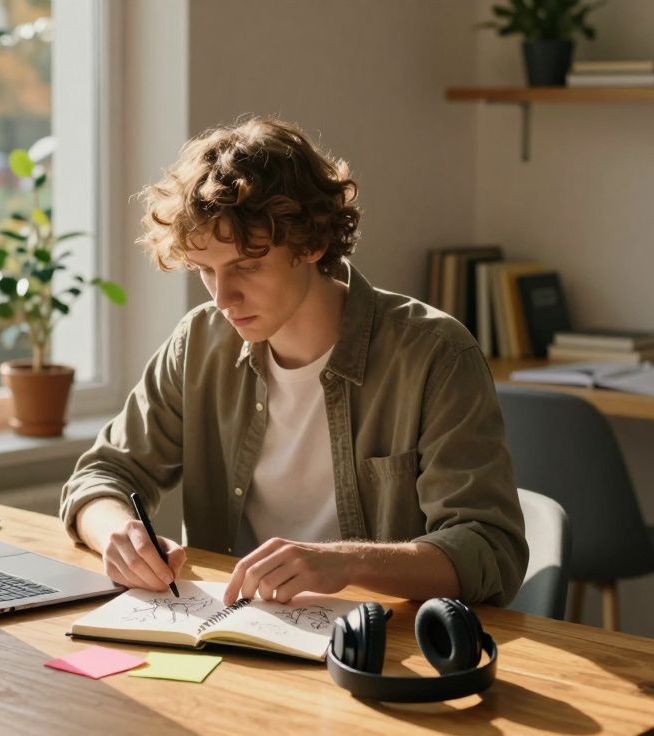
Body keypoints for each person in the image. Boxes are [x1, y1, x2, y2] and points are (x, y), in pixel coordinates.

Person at [59, 117, 527, 607]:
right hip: (230, 632)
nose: (222, 297)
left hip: (382, 645)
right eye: (205, 271)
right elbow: (99, 476)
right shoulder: (199, 343)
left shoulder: (435, 354)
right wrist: (118, 535)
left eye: (246, 266)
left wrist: (344, 562)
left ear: (312, 244)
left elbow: (489, 550)